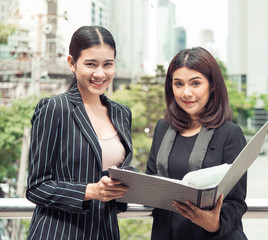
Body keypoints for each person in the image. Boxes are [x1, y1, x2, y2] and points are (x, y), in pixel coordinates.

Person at [26, 26, 132, 240]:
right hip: (59, 232)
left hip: (105, 231)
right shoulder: (55, 108)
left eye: (108, 64)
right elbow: (36, 187)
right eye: (91, 64)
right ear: (72, 63)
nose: (100, 73)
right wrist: (91, 191)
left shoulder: (121, 113)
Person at [146, 47, 248, 239]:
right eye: (178, 84)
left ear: (212, 86)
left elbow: (237, 202)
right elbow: (151, 180)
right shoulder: (163, 128)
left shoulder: (230, 134)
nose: (186, 93)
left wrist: (214, 224)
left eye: (195, 83)